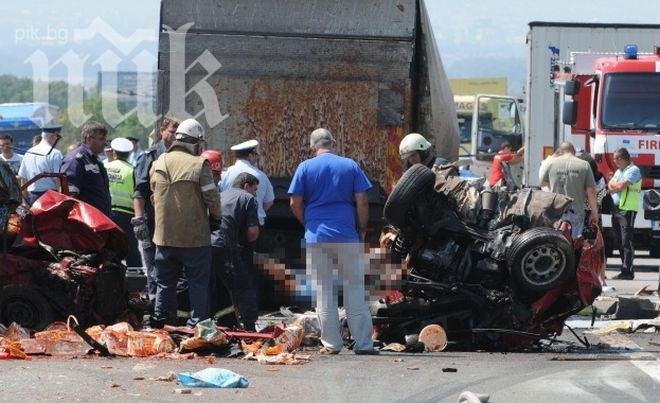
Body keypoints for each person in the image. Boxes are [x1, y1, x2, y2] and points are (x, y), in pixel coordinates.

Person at [288, 128, 376, 355]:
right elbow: (362, 202)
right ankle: (364, 344)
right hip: (347, 235)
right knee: (354, 290)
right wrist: (362, 230)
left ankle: (332, 344)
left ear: (312, 147)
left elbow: (294, 203)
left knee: (324, 291)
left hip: (317, 237)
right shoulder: (350, 166)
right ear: (333, 143)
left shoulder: (305, 167)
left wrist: (309, 223)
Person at [149, 118, 221, 328]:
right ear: (196, 143)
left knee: (164, 283)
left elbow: (154, 196)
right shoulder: (200, 164)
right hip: (194, 240)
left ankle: (162, 324)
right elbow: (213, 199)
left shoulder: (159, 162)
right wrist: (217, 217)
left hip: (163, 238)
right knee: (198, 284)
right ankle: (198, 326)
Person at [132, 116, 179, 304]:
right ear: (162, 131)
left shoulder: (180, 157)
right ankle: (154, 305)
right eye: (172, 132)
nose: (175, 137)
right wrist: (139, 220)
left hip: (174, 222)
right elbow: (139, 192)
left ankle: (169, 305)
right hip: (152, 223)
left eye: (178, 133)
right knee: (153, 266)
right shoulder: (150, 156)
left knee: (172, 267)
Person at [211, 172, 260, 330]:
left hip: (206, 244)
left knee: (219, 285)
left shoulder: (220, 195)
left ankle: (224, 321)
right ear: (246, 186)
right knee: (243, 285)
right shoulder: (248, 198)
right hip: (225, 245)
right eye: (255, 189)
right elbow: (252, 233)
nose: (256, 193)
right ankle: (249, 325)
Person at [541, 141, 598, 239]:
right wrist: (594, 212)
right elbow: (591, 191)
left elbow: (543, 183)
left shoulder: (551, 163)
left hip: (556, 211)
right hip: (576, 210)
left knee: (557, 242)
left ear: (560, 152)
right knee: (574, 243)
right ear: (574, 152)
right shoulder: (584, 165)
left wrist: (554, 189)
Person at [61, 121, 111, 217]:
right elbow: (69, 195)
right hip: (85, 222)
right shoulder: (76, 159)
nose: (105, 143)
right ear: (88, 139)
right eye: (101, 139)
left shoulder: (95, 160)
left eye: (105, 139)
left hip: (99, 220)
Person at [220, 139, 274, 227]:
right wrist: (256, 211)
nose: (257, 157)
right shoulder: (261, 176)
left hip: (230, 225)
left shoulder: (225, 174)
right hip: (254, 225)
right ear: (250, 156)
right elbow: (269, 202)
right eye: (255, 154)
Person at [106, 137, 141, 267]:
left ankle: (109, 274)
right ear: (129, 154)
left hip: (107, 213)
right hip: (127, 214)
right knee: (130, 247)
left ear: (114, 152)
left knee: (109, 247)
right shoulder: (132, 170)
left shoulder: (105, 167)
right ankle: (136, 277)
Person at [607, 147, 641, 280]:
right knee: (619, 241)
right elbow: (610, 185)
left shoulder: (634, 170)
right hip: (616, 209)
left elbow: (621, 186)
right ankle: (624, 269)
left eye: (615, 159)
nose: (614, 161)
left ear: (621, 158)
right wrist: (615, 185)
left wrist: (616, 185)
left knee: (627, 241)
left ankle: (628, 271)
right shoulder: (619, 171)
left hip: (627, 209)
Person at [17, 124, 64, 205]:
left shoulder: (28, 152)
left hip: (32, 198)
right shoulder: (55, 153)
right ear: (52, 136)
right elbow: (58, 180)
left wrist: (25, 203)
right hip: (51, 197)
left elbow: (23, 180)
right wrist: (61, 202)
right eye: (57, 137)